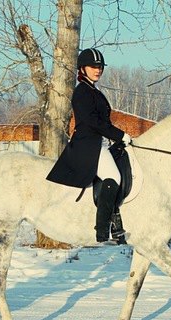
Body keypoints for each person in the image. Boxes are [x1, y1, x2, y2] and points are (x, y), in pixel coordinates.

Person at [46, 48, 132, 244]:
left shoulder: (93, 90)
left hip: (98, 143)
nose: (98, 70)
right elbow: (93, 122)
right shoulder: (82, 91)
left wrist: (118, 138)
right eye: (93, 66)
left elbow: (104, 123)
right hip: (87, 146)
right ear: (82, 69)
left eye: (100, 67)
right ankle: (103, 231)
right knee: (113, 176)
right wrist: (120, 135)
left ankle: (115, 222)